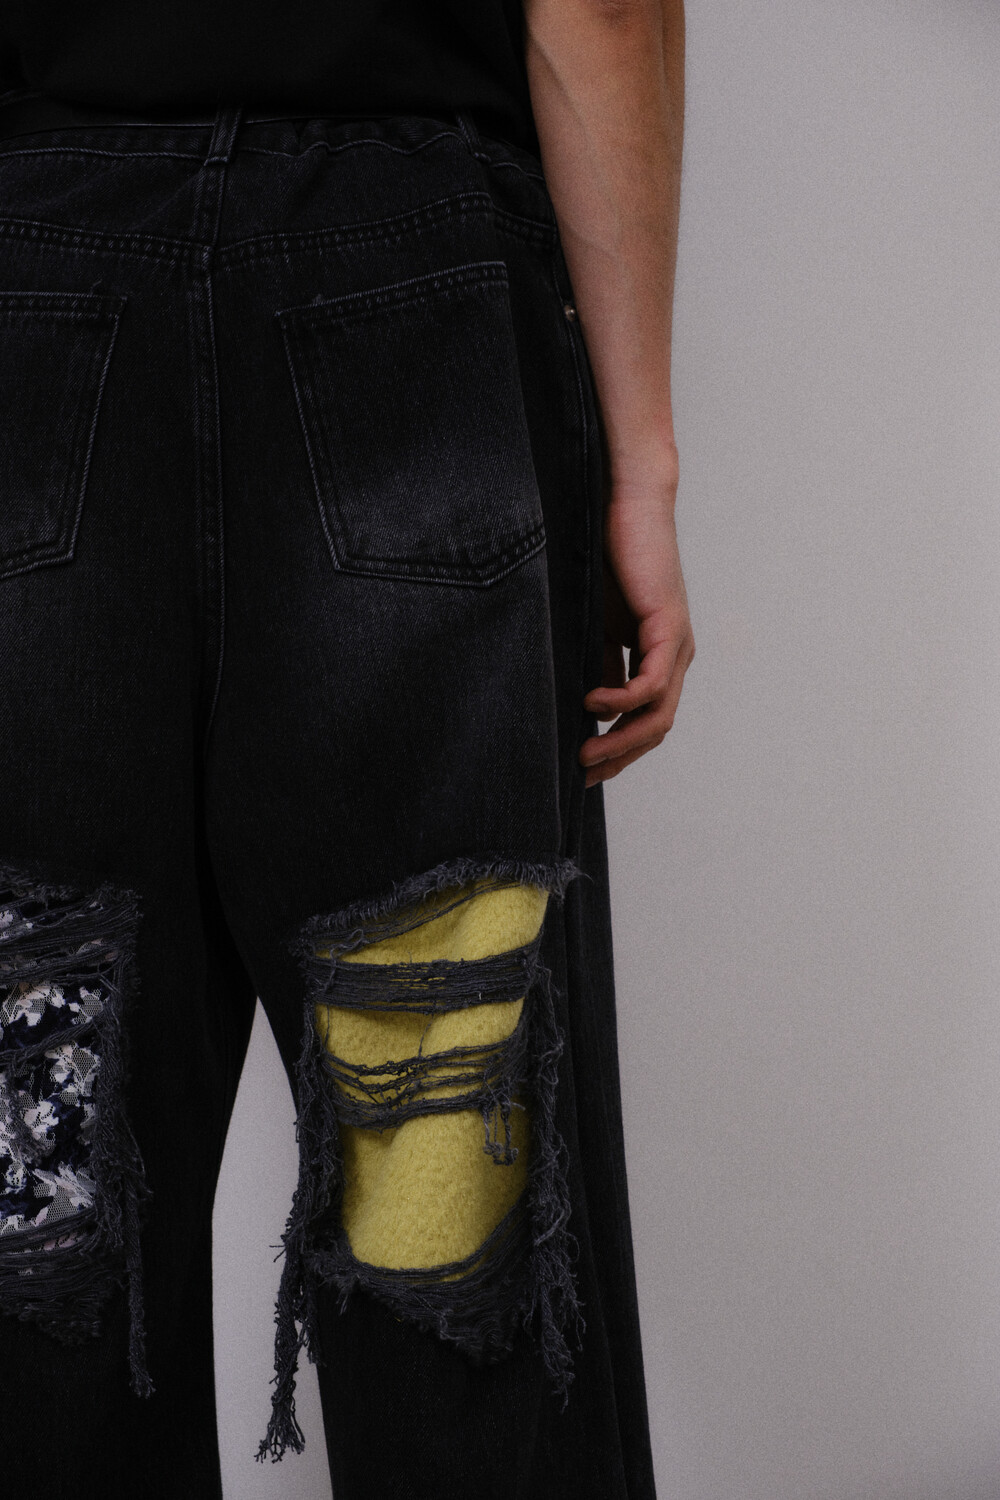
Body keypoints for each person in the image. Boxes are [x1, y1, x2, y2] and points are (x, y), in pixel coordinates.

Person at [0, 1, 692, 1495]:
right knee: (459, 1245)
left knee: (40, 1231)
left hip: (33, 308)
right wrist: (640, 463)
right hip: (408, 297)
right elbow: (601, 10)